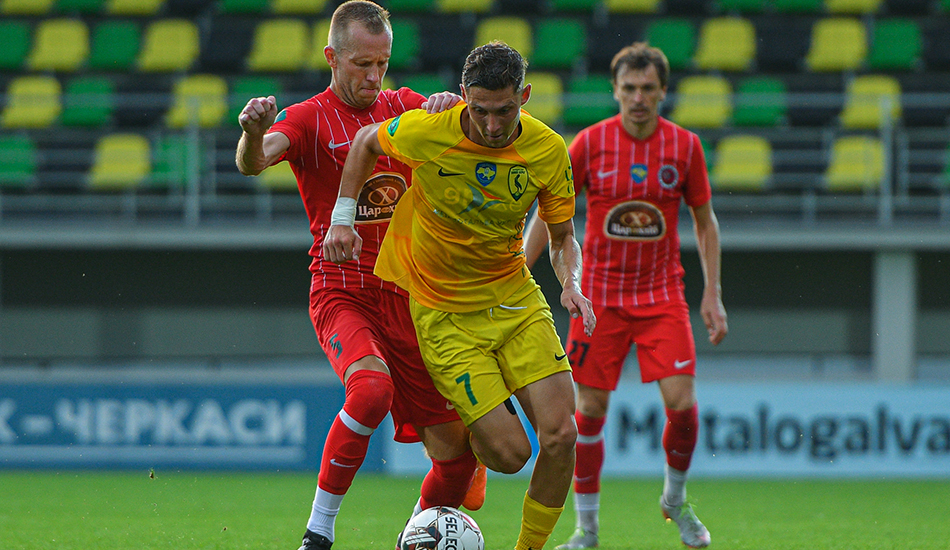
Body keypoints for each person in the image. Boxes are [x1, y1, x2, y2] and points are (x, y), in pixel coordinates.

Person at [323, 41, 597, 550]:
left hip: (515, 301)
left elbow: (563, 239)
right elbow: (364, 142)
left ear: (525, 97)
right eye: (480, 110)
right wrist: (343, 218)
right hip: (445, 315)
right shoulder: (430, 131)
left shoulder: (547, 150)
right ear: (465, 96)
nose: (492, 125)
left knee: (562, 436)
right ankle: (475, 440)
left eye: (505, 111)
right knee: (512, 456)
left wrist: (571, 283)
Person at [235, 3, 484, 550]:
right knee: (370, 391)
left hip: (412, 300)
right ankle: (317, 535)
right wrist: (252, 134)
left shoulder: (402, 106)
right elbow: (253, 161)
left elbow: (469, 128)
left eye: (382, 64)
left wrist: (450, 107)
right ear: (332, 57)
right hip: (343, 291)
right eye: (362, 64)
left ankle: (413, 537)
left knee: (460, 459)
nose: (374, 77)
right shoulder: (308, 119)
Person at [524, 42, 727, 549]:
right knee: (589, 411)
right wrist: (518, 267)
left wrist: (713, 293)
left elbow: (705, 222)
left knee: (683, 406)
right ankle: (587, 529)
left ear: (663, 92)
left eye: (648, 88)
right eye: (629, 88)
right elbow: (551, 211)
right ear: (615, 91)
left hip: (662, 295)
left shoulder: (685, 147)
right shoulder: (590, 144)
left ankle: (674, 499)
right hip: (599, 298)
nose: (638, 97)